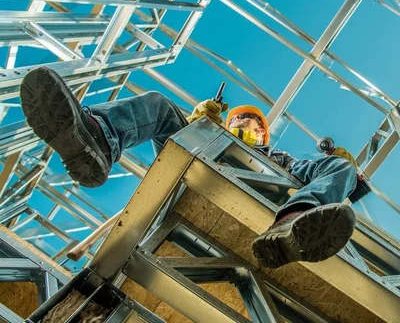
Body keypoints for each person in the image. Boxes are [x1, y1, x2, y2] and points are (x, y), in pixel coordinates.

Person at [20, 67, 360, 268]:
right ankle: (94, 142)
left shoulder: (280, 160)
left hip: (262, 196)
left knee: (338, 167)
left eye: (253, 121)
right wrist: (202, 122)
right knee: (158, 105)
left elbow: (323, 175)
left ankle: (290, 224)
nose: (243, 121)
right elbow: (189, 138)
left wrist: (344, 174)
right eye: (239, 116)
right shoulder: (215, 132)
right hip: (195, 170)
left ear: (263, 133)